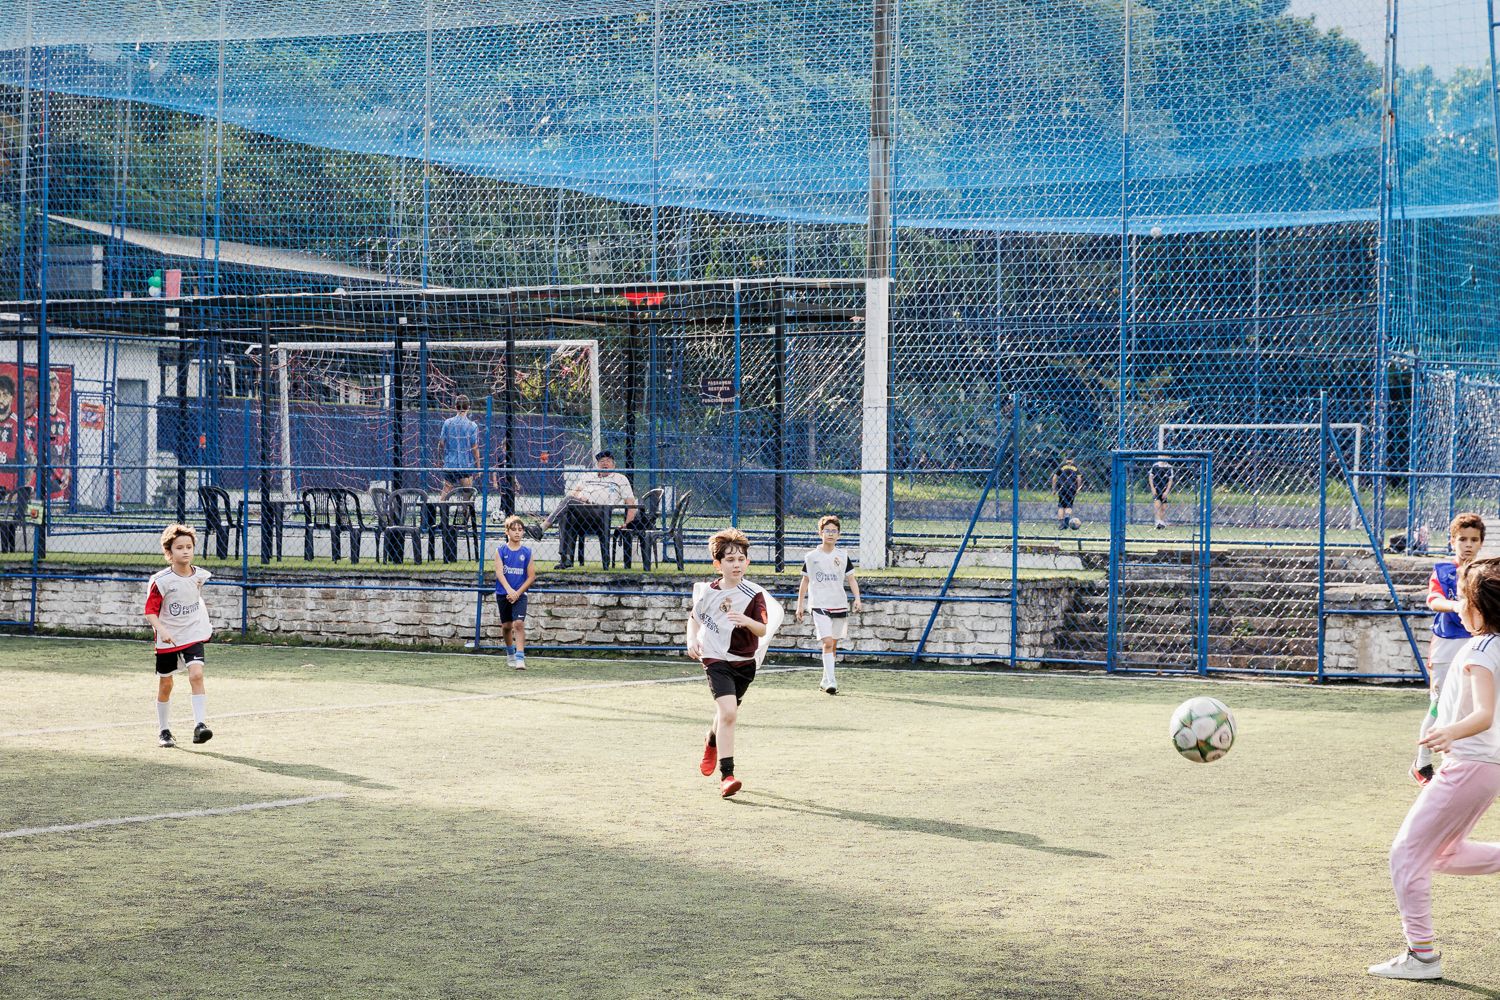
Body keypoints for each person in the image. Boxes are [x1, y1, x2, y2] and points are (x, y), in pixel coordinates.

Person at [1370, 556, 1500, 981]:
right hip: (1482, 767)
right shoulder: (1493, 644)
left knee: (1406, 854)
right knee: (1441, 853)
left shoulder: (1481, 649)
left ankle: (1422, 957)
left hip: (1468, 765)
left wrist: (1449, 734)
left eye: (1462, 597)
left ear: (1479, 607)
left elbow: (1482, 714)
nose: (1457, 604)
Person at [686, 527, 783, 798]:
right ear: (718, 565)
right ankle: (727, 776)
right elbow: (694, 618)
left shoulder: (754, 594)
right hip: (715, 658)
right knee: (729, 712)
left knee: (725, 714)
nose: (736, 564)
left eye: (740, 559)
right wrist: (691, 640)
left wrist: (747, 621)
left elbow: (763, 629)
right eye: (730, 560)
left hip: (745, 663)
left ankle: (711, 740)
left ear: (747, 562)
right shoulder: (709, 592)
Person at [1414, 513, 1486, 784]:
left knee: (1478, 704)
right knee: (1439, 705)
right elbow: (1433, 599)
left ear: (1481, 543)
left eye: (1474, 540)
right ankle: (1422, 764)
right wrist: (1456, 605)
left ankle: (1471, 762)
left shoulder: (1486, 572)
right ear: (1451, 541)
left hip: (1478, 644)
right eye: (1462, 539)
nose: (1468, 545)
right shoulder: (1443, 570)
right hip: (1447, 646)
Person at [143, 524, 214, 749]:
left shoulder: (200, 575)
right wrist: (162, 631)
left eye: (189, 547)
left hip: (192, 634)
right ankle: (164, 730)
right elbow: (150, 612)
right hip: (168, 639)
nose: (185, 551)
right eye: (179, 547)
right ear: (169, 552)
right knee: (166, 684)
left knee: (196, 674)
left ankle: (200, 725)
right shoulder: (161, 581)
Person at [795, 514, 862, 695]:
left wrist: (857, 598)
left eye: (834, 531)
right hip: (819, 606)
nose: (830, 534)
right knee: (826, 642)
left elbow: (851, 579)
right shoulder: (811, 557)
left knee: (833, 644)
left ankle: (826, 678)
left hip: (839, 605)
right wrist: (800, 605)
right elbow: (805, 582)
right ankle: (832, 681)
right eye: (827, 531)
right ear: (820, 533)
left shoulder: (842, 556)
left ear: (838, 535)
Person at [536, 449, 636, 569]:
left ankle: (542, 528)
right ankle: (566, 559)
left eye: (608, 461)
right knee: (566, 514)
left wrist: (627, 523)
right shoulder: (588, 476)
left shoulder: (620, 479)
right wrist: (580, 498)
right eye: (602, 461)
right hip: (580, 511)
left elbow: (631, 504)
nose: (605, 463)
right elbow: (574, 493)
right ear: (597, 465)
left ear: (614, 465)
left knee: (568, 501)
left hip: (600, 513)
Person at [494, 515, 536, 670]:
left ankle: (520, 658)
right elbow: (499, 573)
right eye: (514, 530)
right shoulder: (500, 551)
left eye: (520, 530)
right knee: (506, 626)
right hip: (503, 593)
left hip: (520, 595)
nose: (517, 532)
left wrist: (517, 592)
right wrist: (509, 590)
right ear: (507, 532)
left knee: (518, 624)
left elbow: (531, 576)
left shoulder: (527, 552)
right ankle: (510, 652)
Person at [435, 395, 481, 499]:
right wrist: (478, 466)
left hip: (450, 464)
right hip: (466, 465)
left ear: (455, 407)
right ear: (468, 407)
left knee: (446, 489)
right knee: (467, 493)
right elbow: (474, 447)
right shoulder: (472, 426)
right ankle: (465, 513)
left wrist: (439, 459)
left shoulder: (448, 423)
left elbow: (441, 443)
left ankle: (442, 511)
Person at [1051, 455, 1083, 530]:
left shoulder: (1062, 466)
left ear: (1066, 459)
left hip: (1062, 488)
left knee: (1061, 506)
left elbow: (1054, 477)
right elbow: (1079, 478)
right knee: (1069, 505)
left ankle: (1061, 524)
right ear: (1073, 459)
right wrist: (1078, 488)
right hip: (1072, 488)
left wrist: (1054, 489)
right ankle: (1067, 518)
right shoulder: (1075, 467)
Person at [1148, 457, 1174, 529]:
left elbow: (1170, 480)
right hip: (1157, 488)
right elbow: (1150, 477)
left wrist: (1166, 491)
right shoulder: (1155, 466)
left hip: (1164, 489)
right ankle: (1158, 522)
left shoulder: (1169, 467)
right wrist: (1153, 488)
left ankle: (1162, 522)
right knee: (1157, 505)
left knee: (1163, 507)